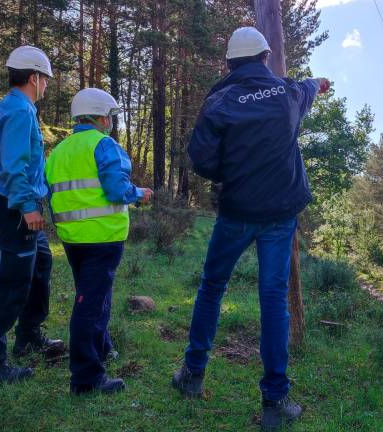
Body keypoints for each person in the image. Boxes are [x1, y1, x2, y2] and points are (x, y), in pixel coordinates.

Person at [171, 26, 330, 430]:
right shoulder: (288, 93)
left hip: (237, 210)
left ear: (230, 64)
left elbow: (202, 160)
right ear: (264, 58)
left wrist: (235, 172)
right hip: (280, 213)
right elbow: (309, 88)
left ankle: (192, 374)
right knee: (273, 299)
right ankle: (274, 403)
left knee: (211, 288)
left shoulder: (219, 101)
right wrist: (321, 83)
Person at [45, 88, 152, 395]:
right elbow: (117, 189)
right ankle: (86, 378)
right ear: (101, 117)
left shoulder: (59, 151)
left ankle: (103, 347)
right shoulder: (104, 145)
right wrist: (138, 194)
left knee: (94, 295)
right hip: (103, 236)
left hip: (72, 237)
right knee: (89, 303)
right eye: (110, 117)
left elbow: (51, 192)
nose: (111, 123)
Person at [0, 45, 65, 385]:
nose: (47, 86)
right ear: (34, 78)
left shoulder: (10, 106)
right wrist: (27, 206)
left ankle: (28, 336)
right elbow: (14, 166)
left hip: (13, 202)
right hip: (14, 205)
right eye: (46, 80)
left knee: (40, 265)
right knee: (11, 281)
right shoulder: (20, 112)